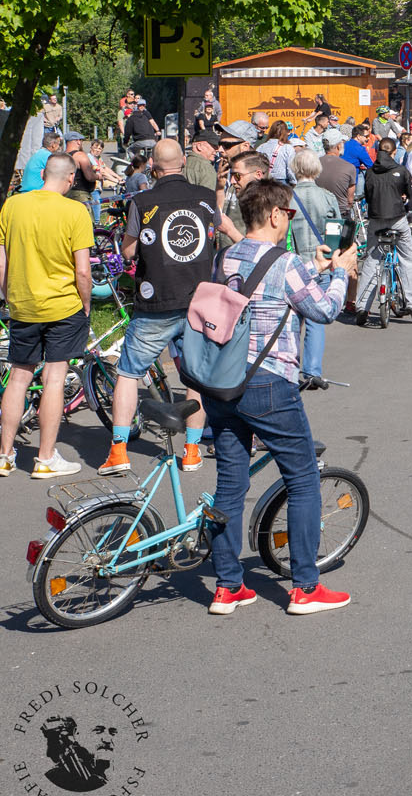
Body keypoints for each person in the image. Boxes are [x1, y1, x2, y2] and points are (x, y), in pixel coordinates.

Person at [200, 176, 356, 616]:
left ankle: (228, 586)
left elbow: (269, 287)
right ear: (274, 215)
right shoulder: (284, 262)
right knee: (303, 478)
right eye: (288, 214)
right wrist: (341, 274)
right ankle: (305, 586)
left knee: (230, 483)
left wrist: (321, 269)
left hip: (223, 383)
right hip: (269, 383)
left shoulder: (225, 257)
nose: (289, 221)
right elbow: (323, 310)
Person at [99, 140, 230, 475]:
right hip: (198, 302)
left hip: (154, 302)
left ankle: (118, 450)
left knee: (129, 373)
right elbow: (219, 235)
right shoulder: (203, 198)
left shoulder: (141, 202)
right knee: (195, 378)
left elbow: (128, 252)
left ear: (154, 167)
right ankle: (190, 451)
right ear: (183, 163)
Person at [0, 153, 92, 478]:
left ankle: (5, 454)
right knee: (54, 378)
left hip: (23, 304)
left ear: (43, 175)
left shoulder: (12, 205)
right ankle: (45, 458)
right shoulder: (75, 211)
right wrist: (87, 304)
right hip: (63, 306)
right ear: (69, 178)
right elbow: (83, 271)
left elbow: (3, 261)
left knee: (19, 376)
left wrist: (9, 297)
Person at [287, 149, 343, 386]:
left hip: (295, 263)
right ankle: (312, 372)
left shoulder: (286, 197)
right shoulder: (327, 197)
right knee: (315, 320)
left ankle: (287, 369)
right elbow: (337, 229)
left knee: (289, 320)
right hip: (321, 262)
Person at [354, 138, 412, 324]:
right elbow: (409, 192)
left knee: (372, 259)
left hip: (376, 220)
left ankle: (362, 306)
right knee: (407, 258)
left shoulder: (370, 173)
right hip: (397, 219)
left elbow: (367, 197)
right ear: (394, 153)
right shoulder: (401, 171)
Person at [315, 134, 357, 216]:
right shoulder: (349, 167)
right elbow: (350, 197)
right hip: (341, 212)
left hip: (319, 211)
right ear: (338, 146)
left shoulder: (314, 164)